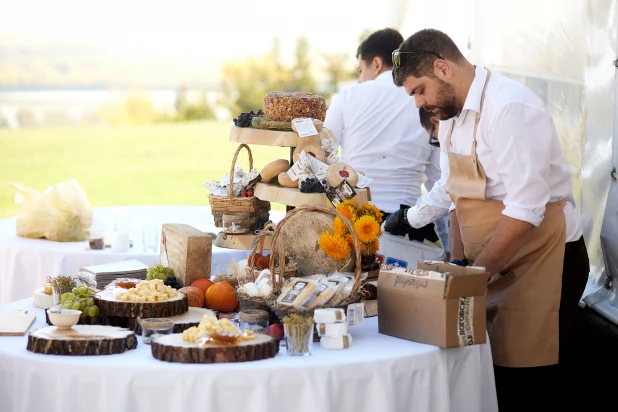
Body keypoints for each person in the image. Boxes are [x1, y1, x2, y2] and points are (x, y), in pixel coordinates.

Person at [384, 28, 590, 411]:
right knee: (486, 373)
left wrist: (474, 275)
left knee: (525, 380)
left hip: (543, 262)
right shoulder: (447, 115)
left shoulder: (510, 108)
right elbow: (456, 191)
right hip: (489, 265)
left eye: (419, 90)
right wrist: (461, 262)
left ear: (443, 68)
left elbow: (527, 208)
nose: (419, 103)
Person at [324, 28, 448, 250]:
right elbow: (438, 179)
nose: (360, 78)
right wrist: (449, 247)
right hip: (406, 224)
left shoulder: (348, 96)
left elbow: (323, 155)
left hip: (351, 219)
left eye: (361, 70)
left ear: (377, 64)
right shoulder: (425, 100)